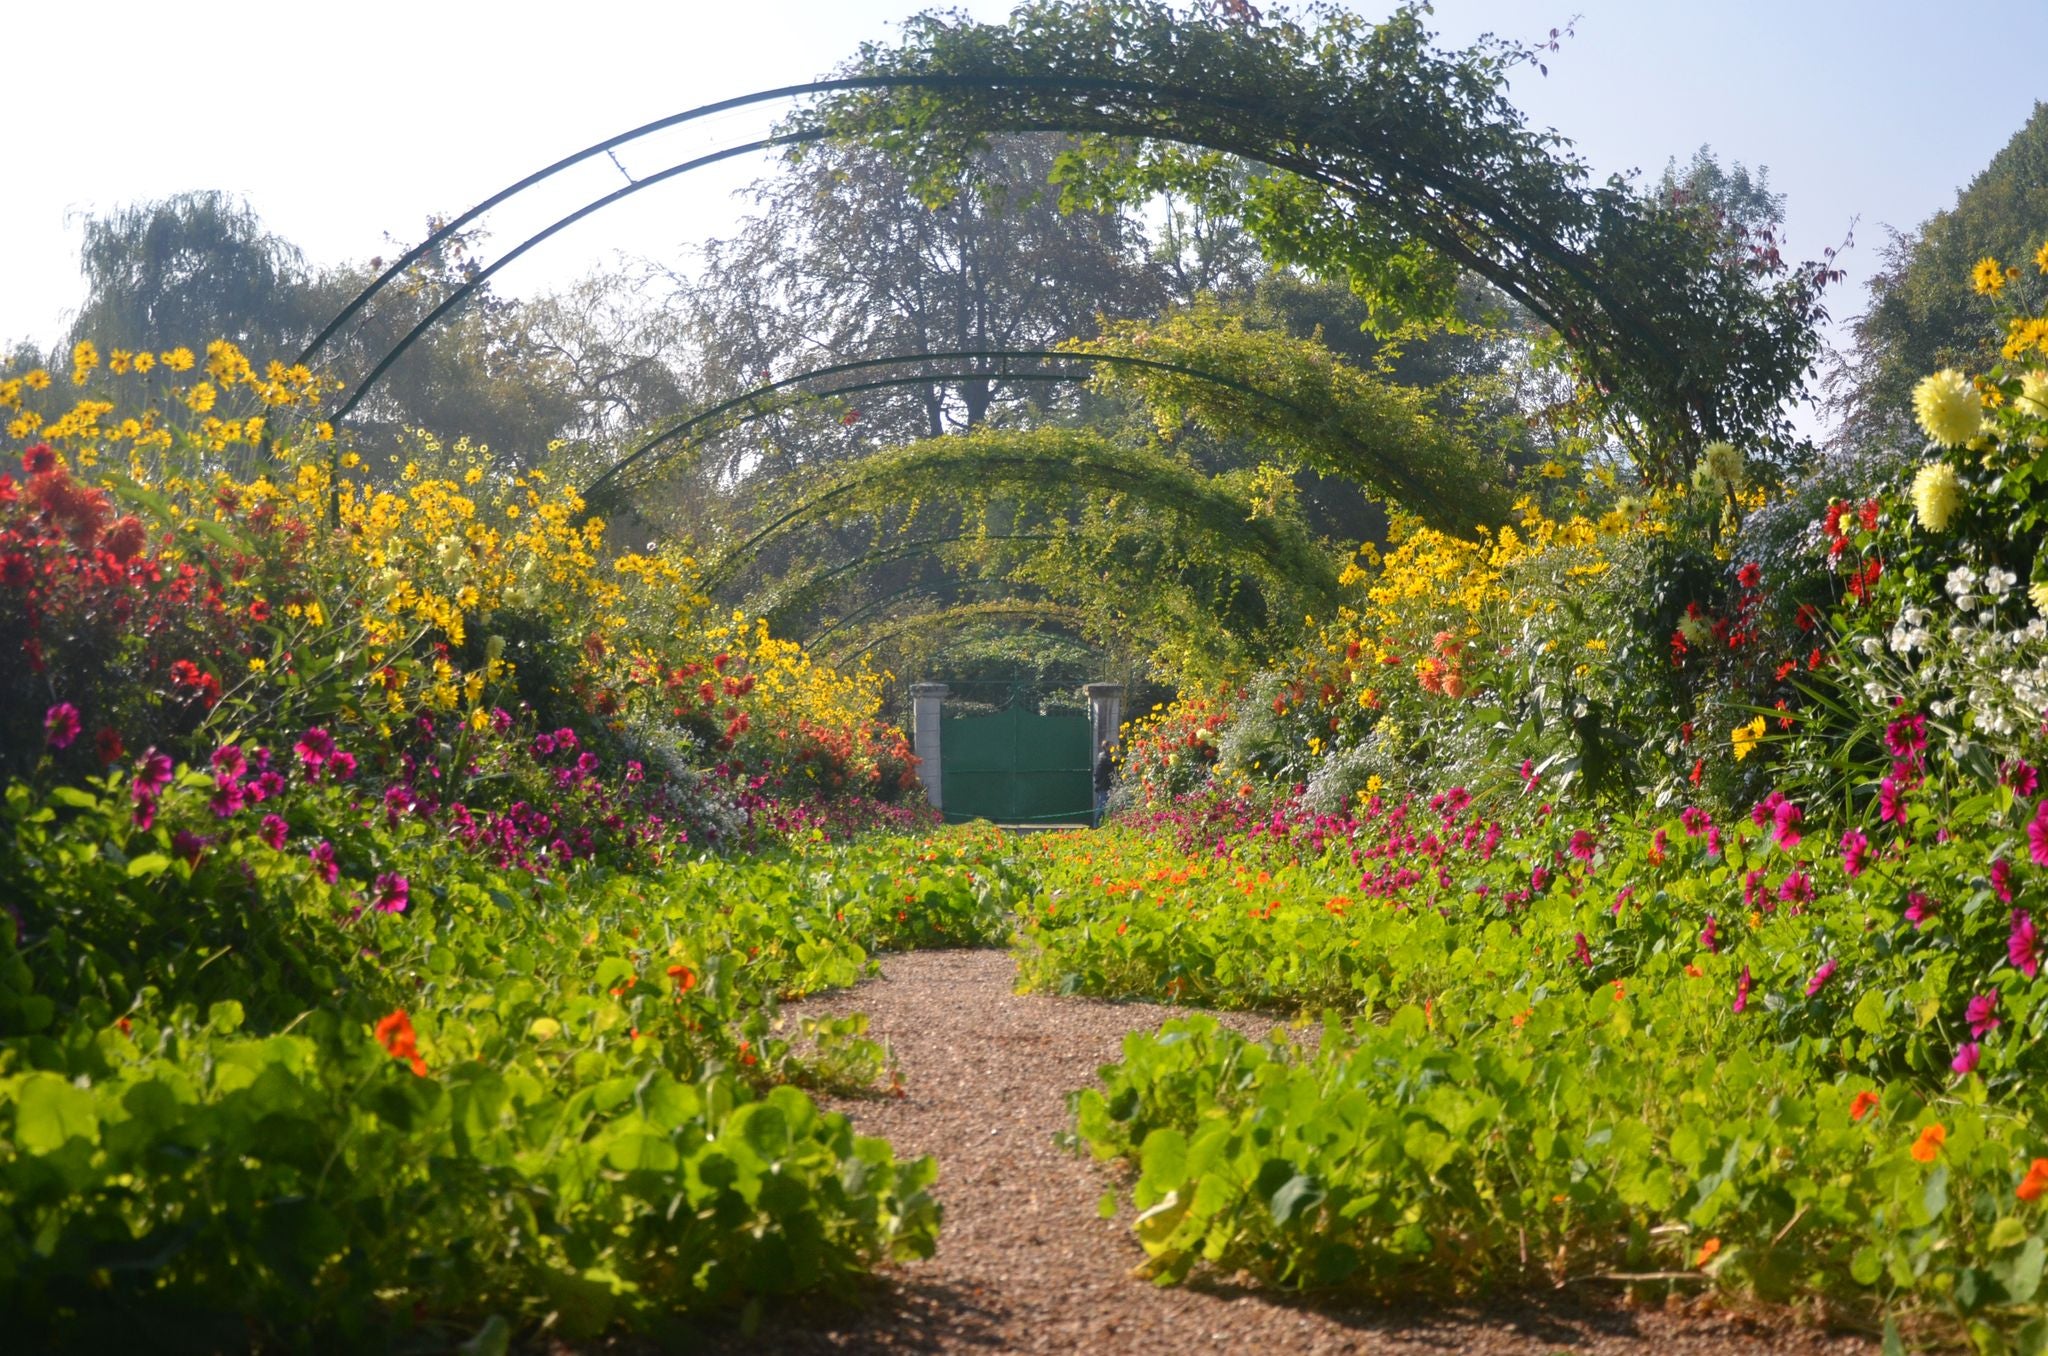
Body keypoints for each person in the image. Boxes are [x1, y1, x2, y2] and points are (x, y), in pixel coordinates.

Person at [1093, 740, 1116, 828]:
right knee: (1102, 804)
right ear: (1106, 747)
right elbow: (1112, 762)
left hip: (1107, 784)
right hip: (1103, 785)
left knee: (1106, 805)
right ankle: (1096, 824)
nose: (1113, 747)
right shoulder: (1104, 757)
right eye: (1111, 746)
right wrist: (1122, 760)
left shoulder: (1108, 756)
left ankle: (1103, 823)